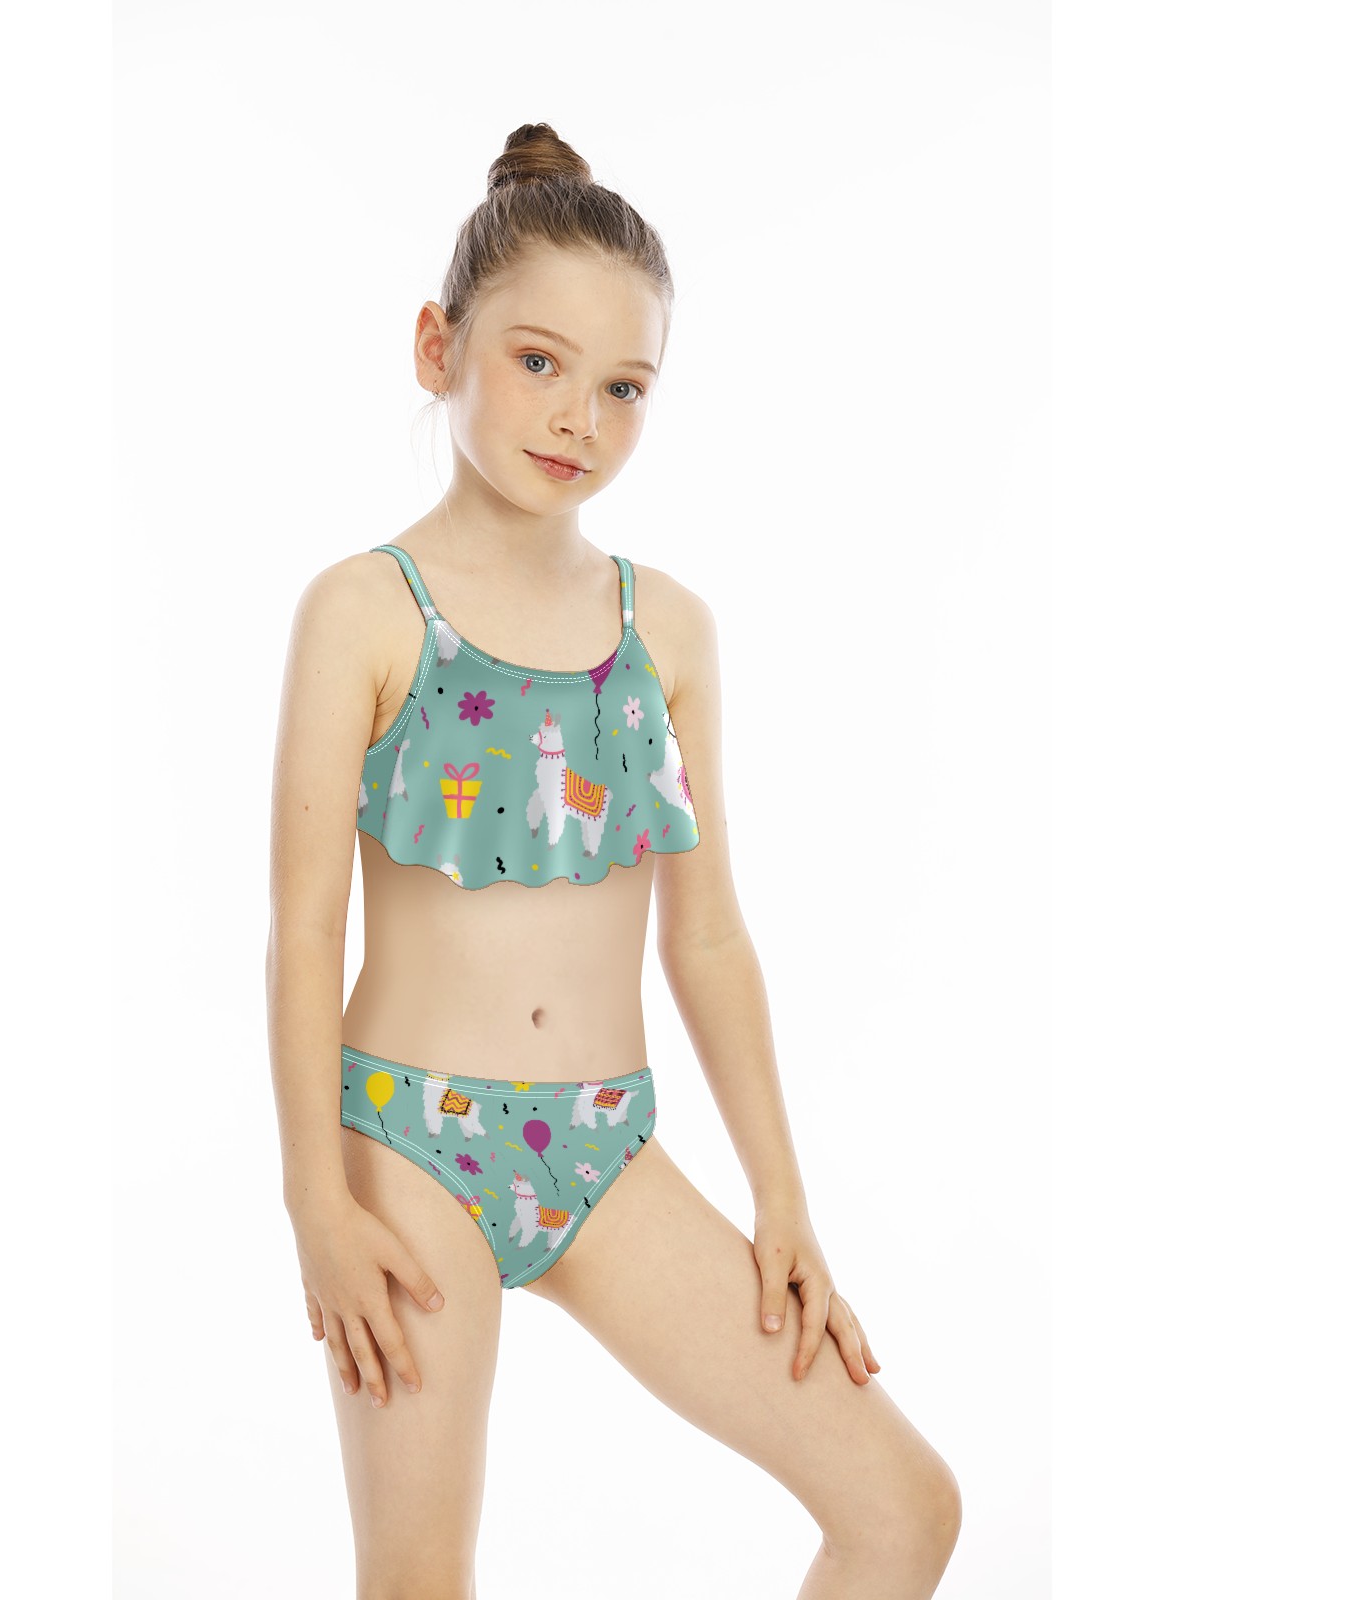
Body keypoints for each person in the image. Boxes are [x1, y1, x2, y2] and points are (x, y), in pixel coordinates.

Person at [265, 121, 961, 1600]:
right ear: (438, 348)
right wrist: (317, 1202)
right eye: (539, 361)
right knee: (418, 1579)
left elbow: (706, 937)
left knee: (904, 1510)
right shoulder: (364, 612)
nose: (579, 415)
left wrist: (783, 1202)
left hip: (605, 1149)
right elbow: (302, 930)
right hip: (409, 1143)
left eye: (624, 386)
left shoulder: (670, 632)